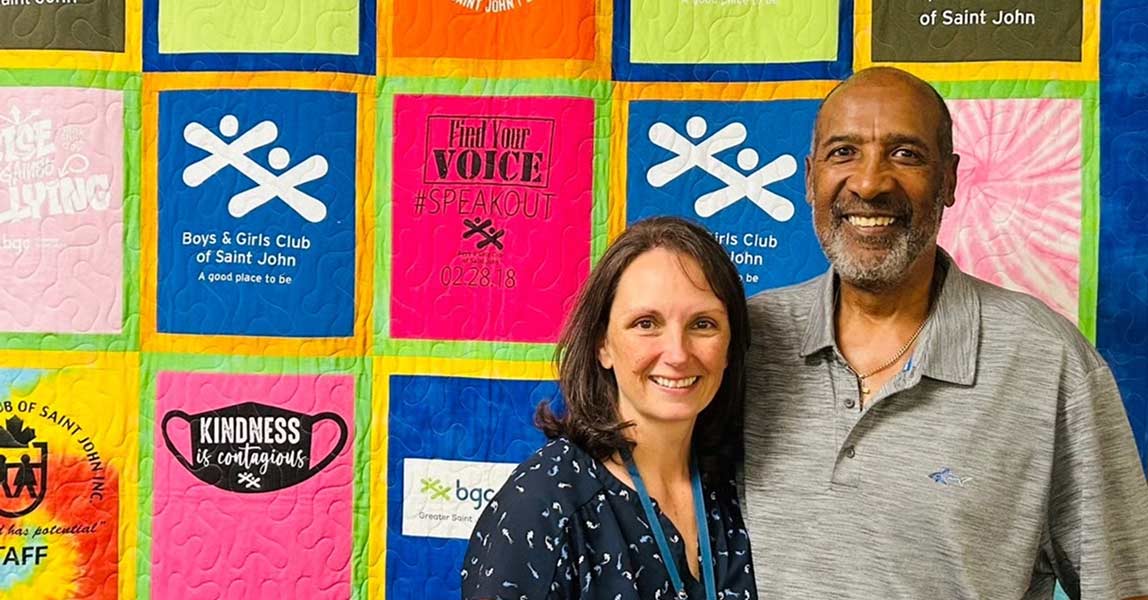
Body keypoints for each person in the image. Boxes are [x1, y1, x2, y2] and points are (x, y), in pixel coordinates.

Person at [741, 66, 1148, 599]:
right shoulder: (740, 344)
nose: (869, 182)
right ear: (810, 178)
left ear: (950, 180)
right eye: (844, 152)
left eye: (905, 154)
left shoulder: (1048, 362)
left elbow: (1124, 588)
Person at [462, 217, 756, 600]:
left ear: (731, 346)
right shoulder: (542, 506)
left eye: (703, 324)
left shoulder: (741, 492)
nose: (678, 354)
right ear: (603, 344)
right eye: (646, 323)